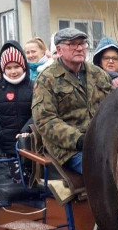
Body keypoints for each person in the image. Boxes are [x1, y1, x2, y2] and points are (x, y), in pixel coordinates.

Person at [32, 28, 112, 174]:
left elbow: (115, 107)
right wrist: (80, 140)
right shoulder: (46, 79)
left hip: (103, 141)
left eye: (82, 43)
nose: (79, 48)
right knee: (105, 171)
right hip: (68, 148)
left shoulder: (99, 74)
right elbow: (45, 121)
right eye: (72, 44)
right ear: (59, 50)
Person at [0, 41, 33, 159]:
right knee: (14, 177)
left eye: (16, 66)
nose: (13, 71)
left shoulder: (33, 86)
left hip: (32, 144)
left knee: (31, 177)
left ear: (23, 66)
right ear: (3, 69)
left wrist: (27, 129)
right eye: (8, 68)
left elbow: (39, 113)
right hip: (8, 147)